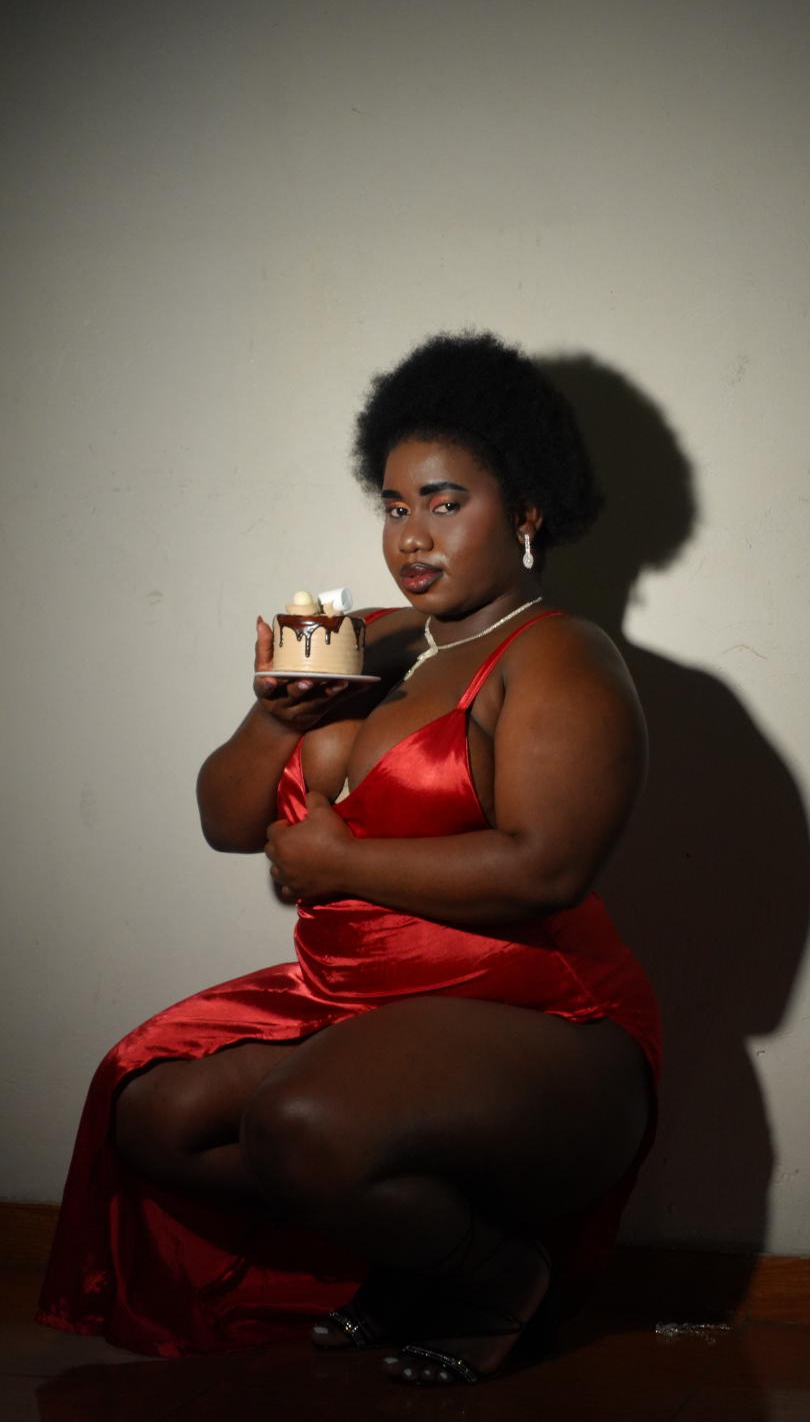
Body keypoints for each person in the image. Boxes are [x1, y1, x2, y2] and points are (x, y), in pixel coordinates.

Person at [38, 332, 660, 1386]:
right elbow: (227, 821)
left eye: (445, 503)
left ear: (525, 512)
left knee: (300, 1122)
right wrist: (277, 715)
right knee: (154, 1112)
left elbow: (547, 870)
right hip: (351, 1000)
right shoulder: (363, 635)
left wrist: (342, 865)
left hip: (543, 1017)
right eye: (394, 504)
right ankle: (409, 1258)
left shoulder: (560, 656)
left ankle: (498, 1275)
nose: (411, 535)